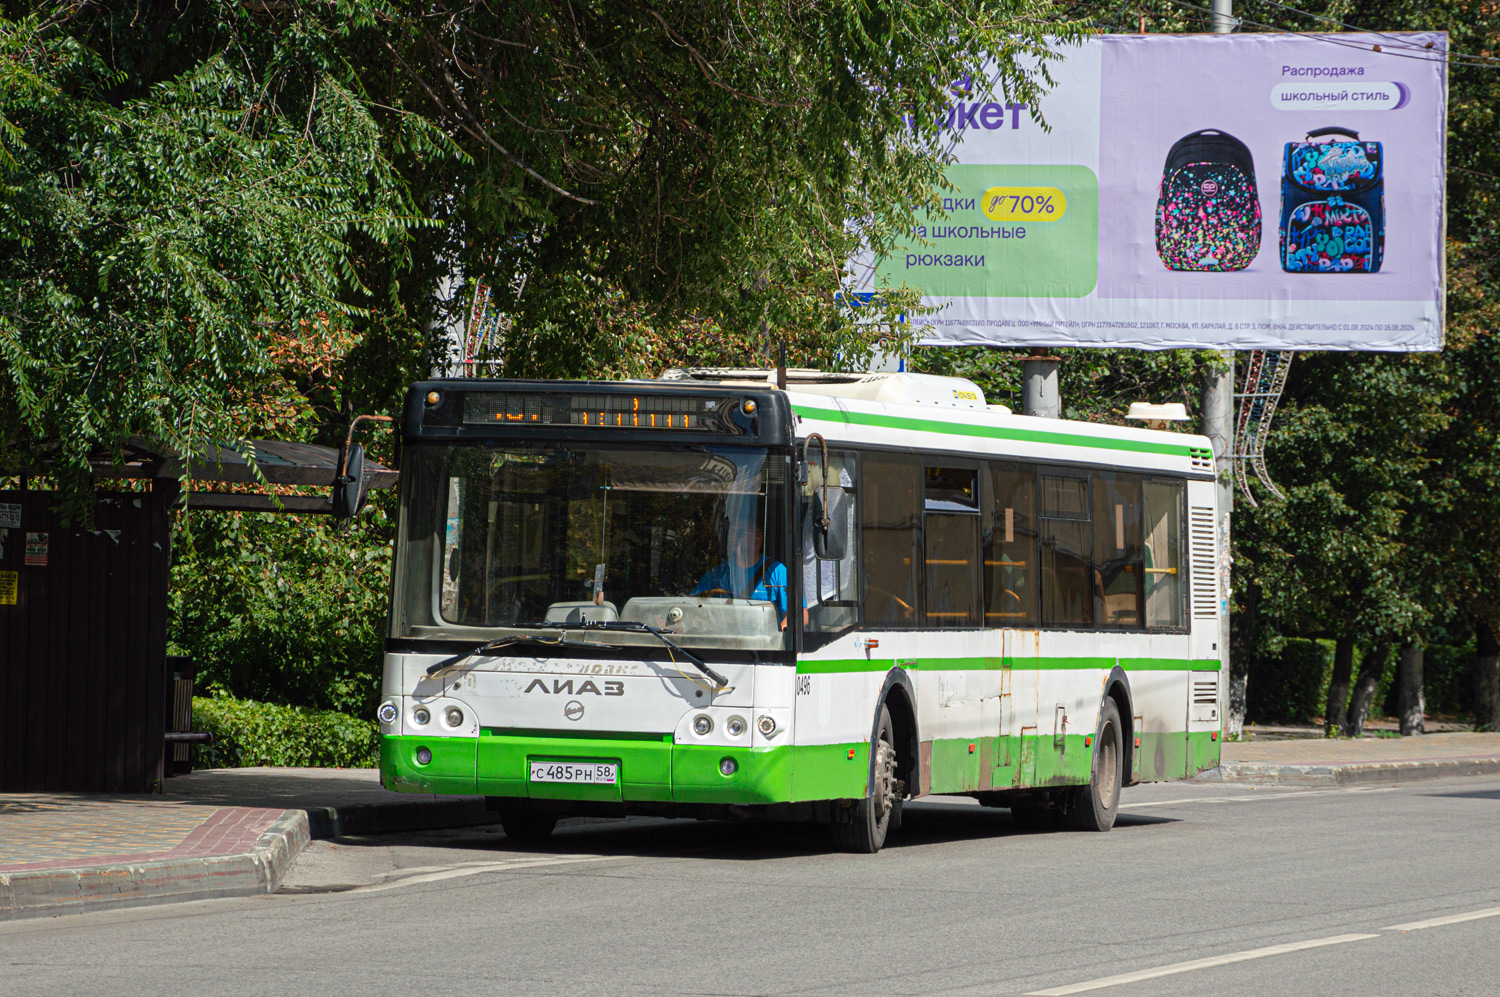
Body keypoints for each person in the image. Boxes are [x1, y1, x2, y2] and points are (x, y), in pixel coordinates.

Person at [692, 519, 791, 626]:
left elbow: (801, 615)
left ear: (757, 540)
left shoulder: (776, 571)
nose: (733, 538)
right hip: (720, 639)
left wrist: (776, 635)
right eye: (731, 533)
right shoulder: (717, 574)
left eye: (740, 533)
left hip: (760, 640)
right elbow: (689, 603)